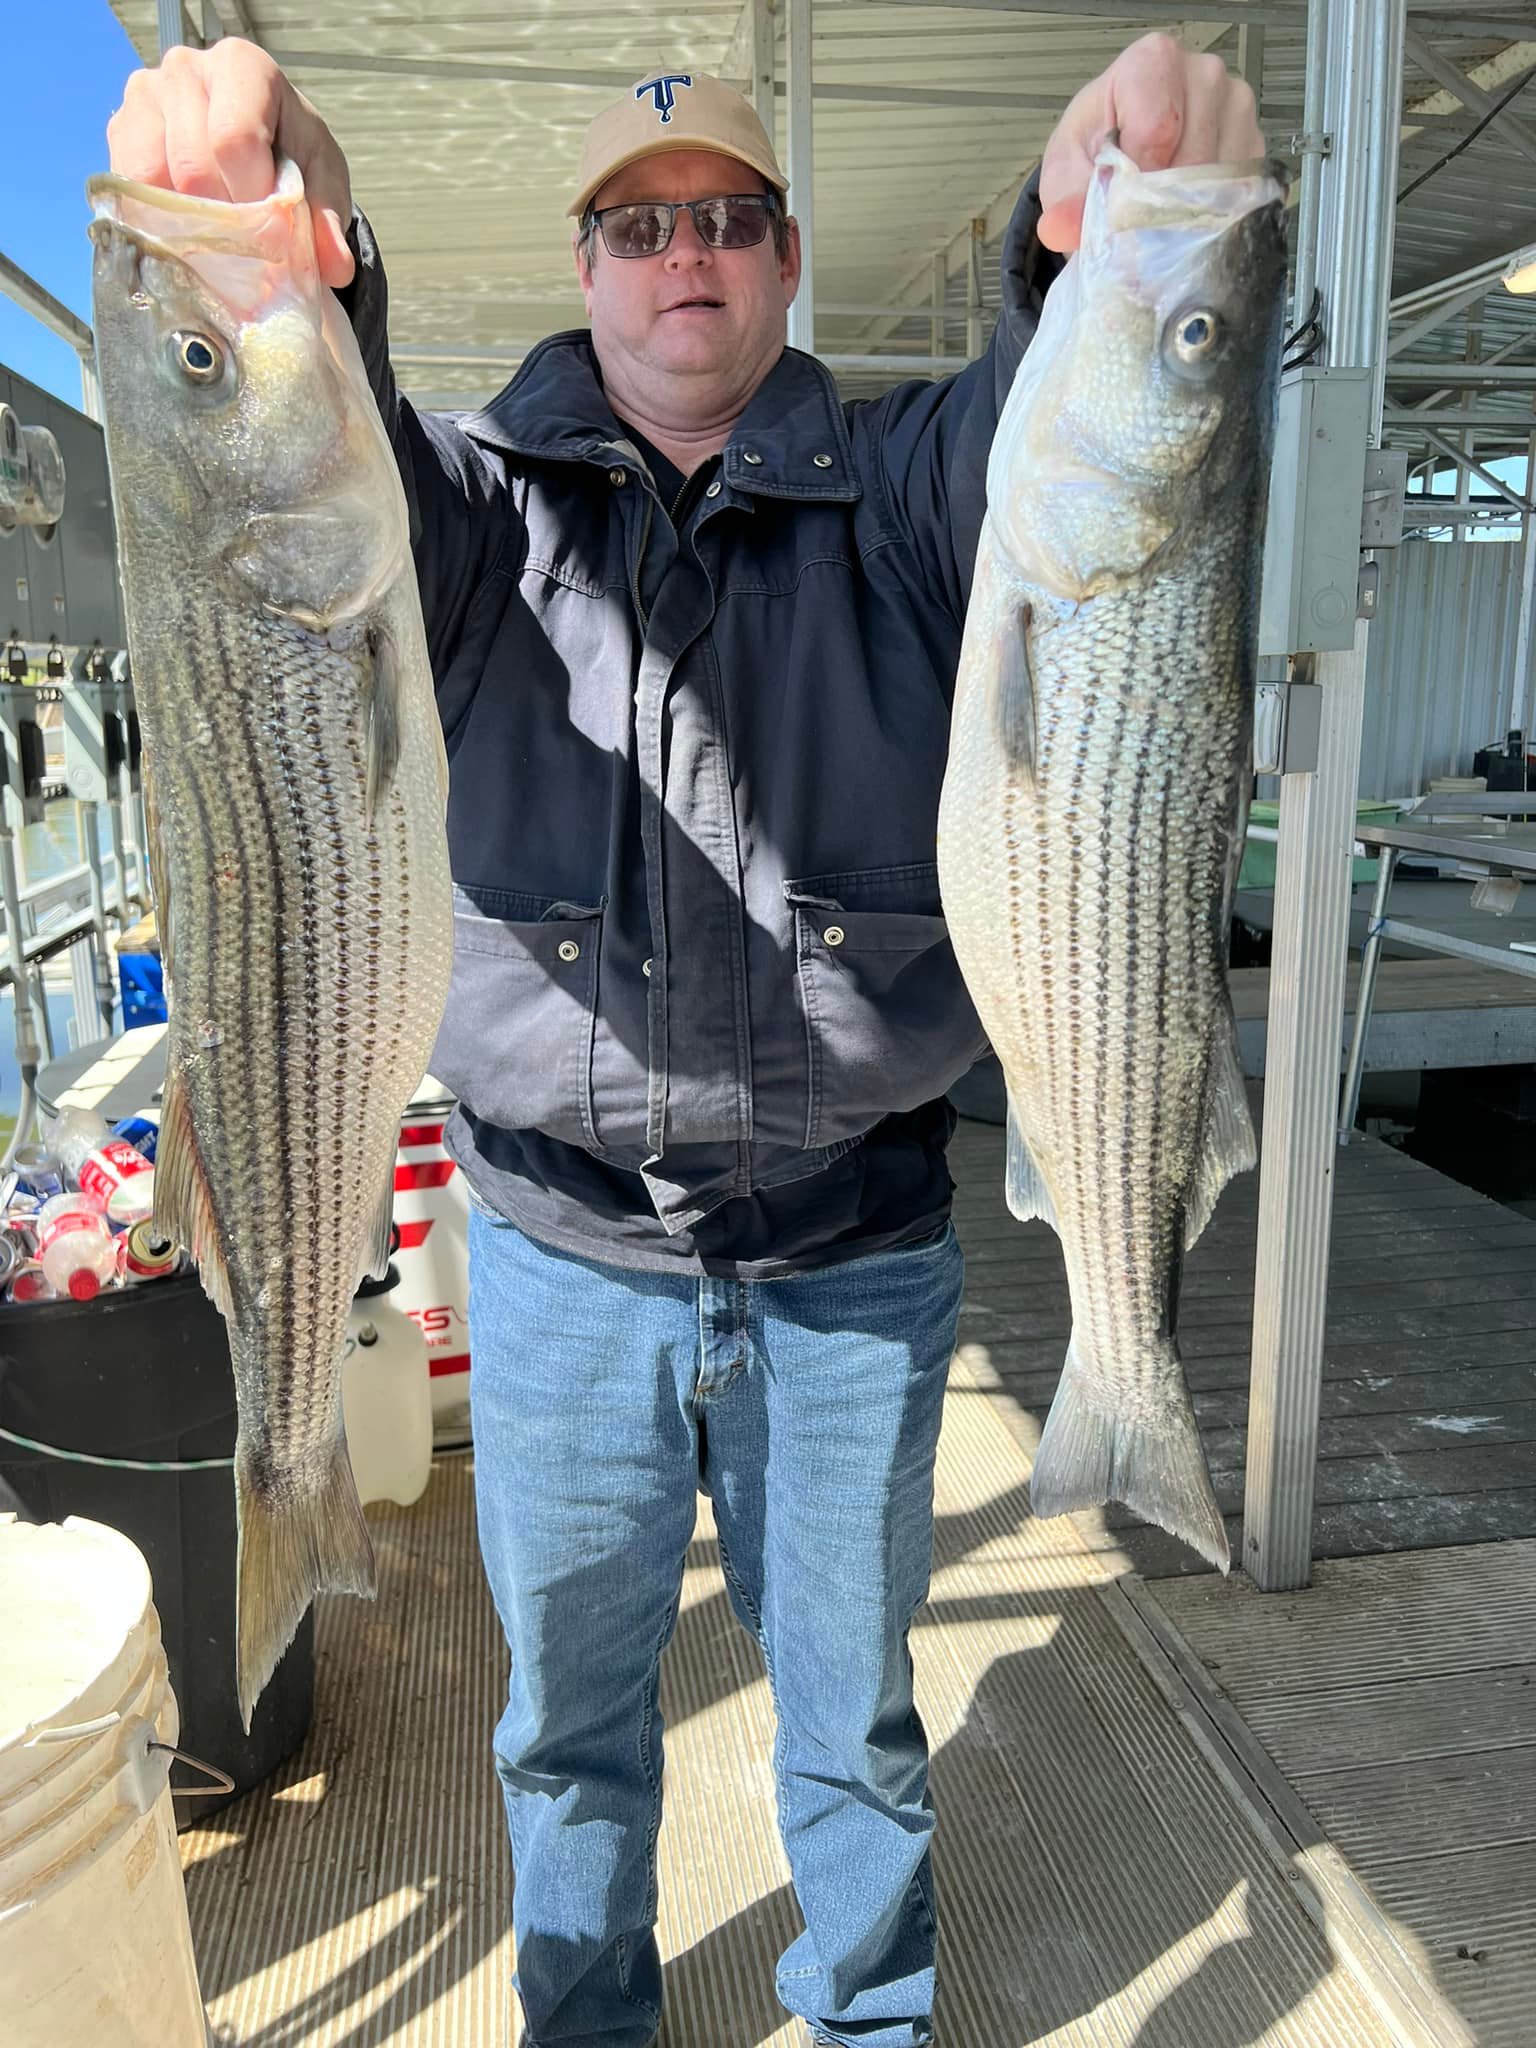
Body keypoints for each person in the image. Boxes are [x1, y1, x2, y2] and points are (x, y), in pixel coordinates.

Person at [109, 38, 1262, 2048]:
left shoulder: (903, 492)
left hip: (860, 1256)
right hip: (560, 1265)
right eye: (641, 227)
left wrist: (1090, 253)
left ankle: (870, 2015)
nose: (686, 258)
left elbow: (1055, 435)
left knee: (853, 1716)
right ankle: (588, 2021)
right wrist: (287, 239)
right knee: (566, 1727)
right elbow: (323, 433)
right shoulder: (466, 510)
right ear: (589, 266)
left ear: (789, 259)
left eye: (726, 218)